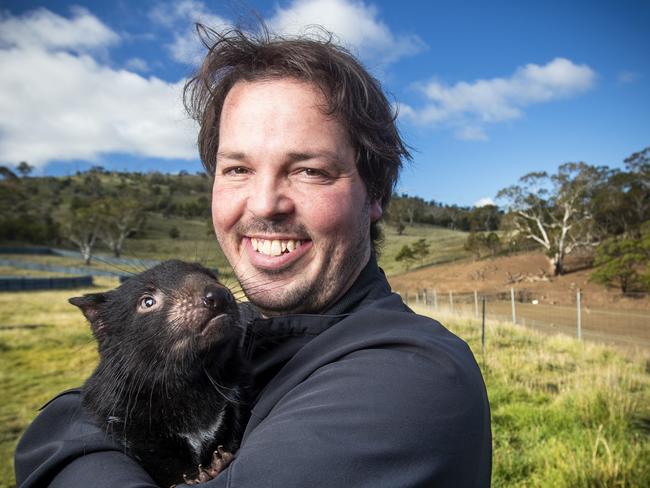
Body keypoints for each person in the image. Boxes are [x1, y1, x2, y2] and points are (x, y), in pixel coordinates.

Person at [15, 25, 491, 487]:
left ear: (374, 195)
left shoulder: (410, 380)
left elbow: (76, 421)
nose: (264, 204)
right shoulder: (236, 330)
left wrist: (68, 436)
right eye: (238, 168)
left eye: (309, 170)